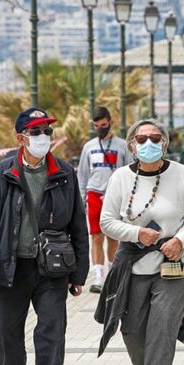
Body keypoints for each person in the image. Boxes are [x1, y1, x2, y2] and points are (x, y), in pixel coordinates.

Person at [0, 107, 89, 365]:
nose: (43, 137)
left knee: (52, 331)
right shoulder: (2, 173)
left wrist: (79, 274)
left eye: (47, 131)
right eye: (36, 132)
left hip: (52, 269)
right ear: (20, 138)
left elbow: (78, 224)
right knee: (4, 329)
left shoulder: (64, 172)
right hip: (11, 268)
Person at [95, 118, 184, 365]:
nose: (149, 144)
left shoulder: (181, 174)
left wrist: (179, 240)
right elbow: (106, 221)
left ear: (165, 143)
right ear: (132, 145)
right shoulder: (120, 177)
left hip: (174, 263)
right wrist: (137, 234)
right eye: (142, 139)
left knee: (163, 326)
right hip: (133, 264)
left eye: (155, 138)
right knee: (132, 329)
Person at [77, 106, 130, 294]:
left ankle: (113, 275)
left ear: (110, 123)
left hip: (114, 195)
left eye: (104, 125)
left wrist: (127, 198)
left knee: (113, 236)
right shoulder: (89, 147)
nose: (100, 128)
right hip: (93, 194)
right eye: (97, 126)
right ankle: (98, 277)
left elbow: (129, 172)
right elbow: (82, 175)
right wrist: (81, 199)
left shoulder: (122, 145)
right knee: (96, 236)